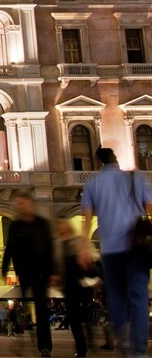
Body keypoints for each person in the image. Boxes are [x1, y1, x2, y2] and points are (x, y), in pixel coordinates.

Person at [82, 146, 152, 357]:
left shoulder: (92, 184)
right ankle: (139, 346)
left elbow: (86, 219)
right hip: (137, 246)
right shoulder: (136, 178)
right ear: (117, 159)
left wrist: (84, 246)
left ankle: (123, 340)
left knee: (117, 296)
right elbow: (150, 207)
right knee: (139, 295)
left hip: (111, 249)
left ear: (99, 163)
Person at [0, 190, 54, 356]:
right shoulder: (16, 225)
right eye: (18, 204)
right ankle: (26, 337)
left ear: (30, 204)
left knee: (41, 310)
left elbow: (50, 248)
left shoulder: (41, 224)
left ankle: (44, 347)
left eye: (23, 203)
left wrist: (53, 272)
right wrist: (4, 268)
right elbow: (9, 248)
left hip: (40, 272)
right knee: (20, 307)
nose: (20, 207)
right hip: (23, 272)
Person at [59, 219, 96, 358]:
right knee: (75, 321)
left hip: (81, 287)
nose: (61, 230)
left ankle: (84, 346)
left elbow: (91, 261)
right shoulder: (59, 245)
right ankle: (82, 348)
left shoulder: (77, 242)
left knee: (81, 318)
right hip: (68, 287)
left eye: (63, 227)